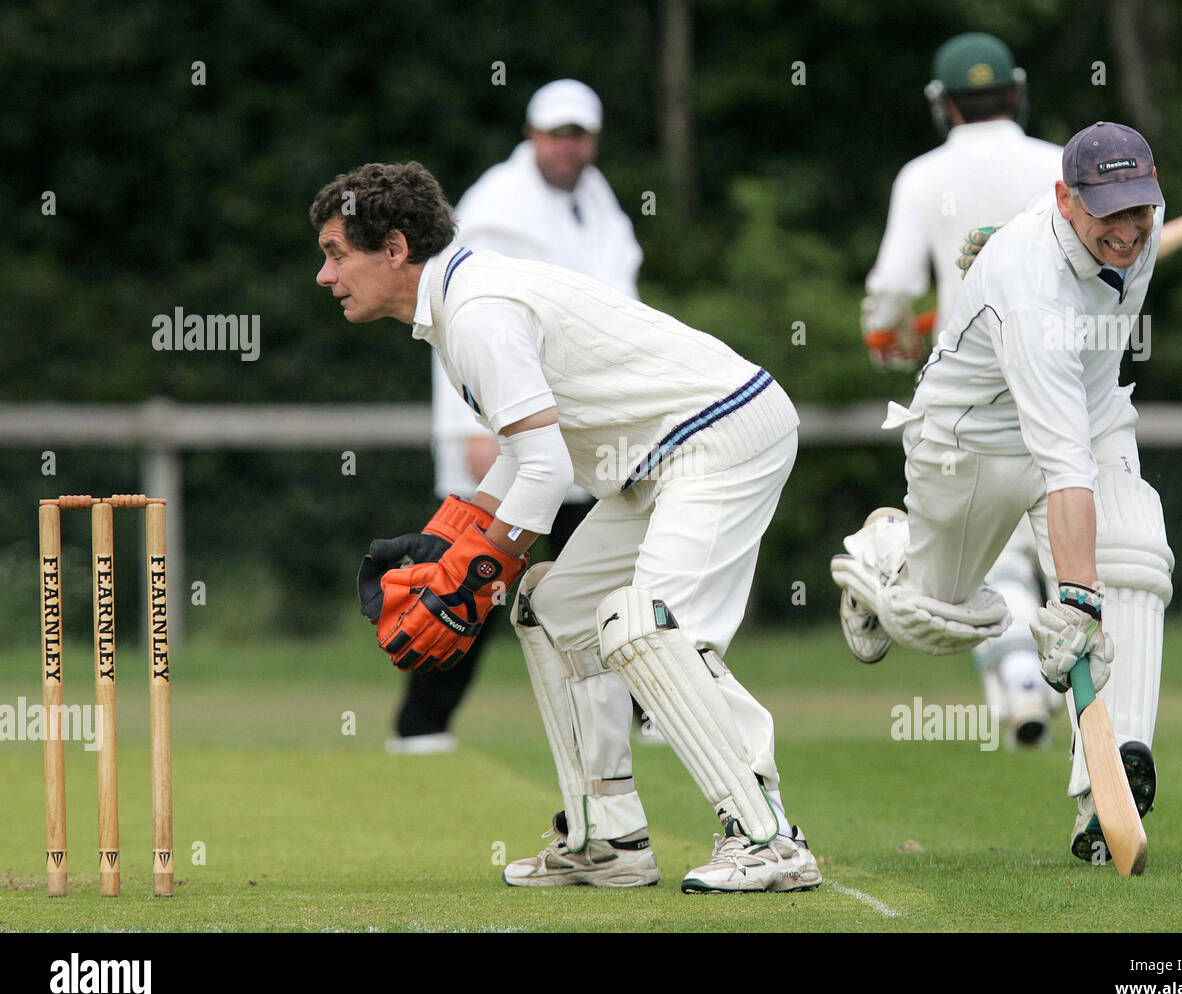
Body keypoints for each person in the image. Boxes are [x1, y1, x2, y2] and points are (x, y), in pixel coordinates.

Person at [312, 160, 821, 893]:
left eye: (335, 254)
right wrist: (457, 535)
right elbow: (527, 453)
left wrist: (476, 576)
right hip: (655, 458)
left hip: (721, 432)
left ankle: (768, 836)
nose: (326, 276)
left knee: (652, 626)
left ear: (393, 248)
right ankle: (608, 836)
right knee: (555, 612)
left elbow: (547, 470)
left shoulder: (478, 309)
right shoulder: (462, 301)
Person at [834, 122, 1172, 866]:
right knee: (939, 620)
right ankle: (880, 557)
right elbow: (1064, 469)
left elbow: (1077, 449)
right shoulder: (1036, 297)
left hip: (1089, 411)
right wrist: (1078, 598)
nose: (1128, 230)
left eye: (1138, 209)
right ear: (1066, 199)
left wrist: (1088, 592)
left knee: (1139, 555)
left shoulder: (1139, 222)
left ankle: (1108, 782)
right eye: (1107, 213)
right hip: (972, 440)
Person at [388, 79, 649, 753]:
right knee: (475, 573)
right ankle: (421, 725)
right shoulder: (495, 205)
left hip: (583, 426)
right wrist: (470, 428)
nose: (569, 147)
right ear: (532, 134)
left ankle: (648, 708)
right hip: (507, 425)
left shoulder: (597, 200)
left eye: (580, 135)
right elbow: (458, 317)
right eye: (557, 134)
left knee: (615, 570)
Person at [859, 32, 1065, 747]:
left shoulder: (922, 175)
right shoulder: (1060, 168)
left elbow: (893, 288)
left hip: (968, 391)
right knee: (1071, 555)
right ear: (1016, 91)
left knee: (987, 559)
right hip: (1058, 385)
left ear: (943, 105)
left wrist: (886, 332)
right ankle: (1068, 702)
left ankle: (1019, 685)